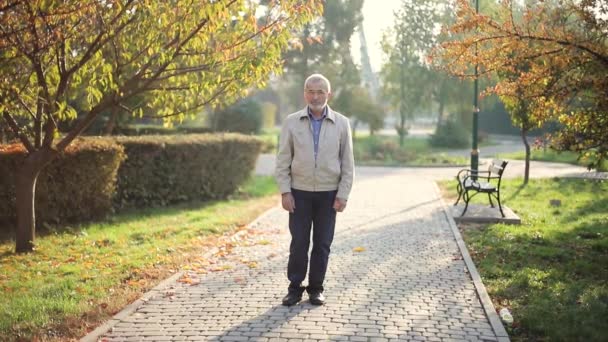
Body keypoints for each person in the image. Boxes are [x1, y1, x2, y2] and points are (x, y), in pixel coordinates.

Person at [274, 73, 355, 306]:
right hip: (299, 193)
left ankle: (316, 288)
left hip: (329, 194)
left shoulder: (342, 123)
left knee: (322, 244)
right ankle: (295, 288)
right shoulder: (291, 122)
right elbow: (282, 160)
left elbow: (348, 163)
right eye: (311, 91)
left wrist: (343, 194)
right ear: (304, 93)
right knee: (299, 242)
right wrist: (285, 191)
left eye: (320, 92)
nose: (315, 96)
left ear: (328, 95)